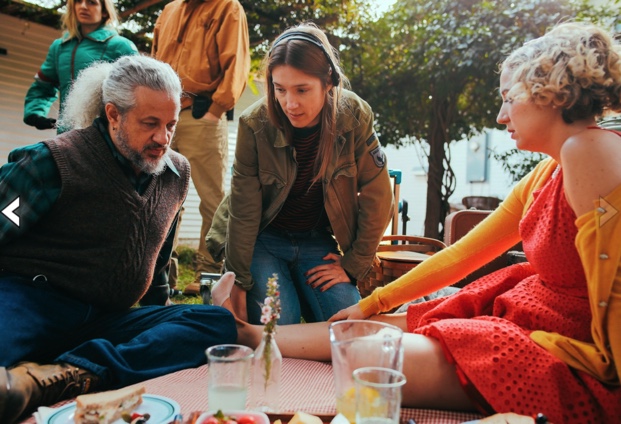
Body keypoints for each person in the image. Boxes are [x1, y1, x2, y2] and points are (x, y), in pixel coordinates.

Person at [213, 22, 621, 422]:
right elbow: (462, 255)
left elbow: (614, 291)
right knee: (365, 326)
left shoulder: (589, 150)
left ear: (548, 93)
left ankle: (255, 339)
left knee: (365, 355)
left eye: (508, 98)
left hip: (560, 345)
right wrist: (373, 302)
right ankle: (248, 334)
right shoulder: (546, 172)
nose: (500, 116)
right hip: (527, 313)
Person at [0, 56, 237, 424]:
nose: (163, 138)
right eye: (150, 124)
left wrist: (159, 316)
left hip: (108, 320)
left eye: (171, 125)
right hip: (32, 307)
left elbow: (158, 259)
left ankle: (59, 377)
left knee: (215, 323)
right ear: (113, 115)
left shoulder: (176, 173)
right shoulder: (51, 163)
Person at [207, 23, 393, 324]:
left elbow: (378, 192)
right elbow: (244, 208)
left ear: (328, 81)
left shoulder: (355, 116)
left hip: (316, 239)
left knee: (347, 324)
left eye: (302, 90)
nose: (289, 104)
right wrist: (238, 279)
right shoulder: (254, 125)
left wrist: (353, 264)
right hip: (263, 238)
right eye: (279, 89)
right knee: (280, 324)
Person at [152, 0, 251, 293]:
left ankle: (207, 275)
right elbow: (156, 58)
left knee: (212, 199)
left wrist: (214, 111)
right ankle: (159, 274)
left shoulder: (227, 7)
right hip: (164, 115)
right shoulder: (169, 10)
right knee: (160, 194)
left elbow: (237, 63)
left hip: (202, 113)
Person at [23, 0, 137, 133]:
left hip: (106, 136)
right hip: (65, 135)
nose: (83, 6)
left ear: (104, 11)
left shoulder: (120, 45)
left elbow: (138, 90)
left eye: (91, 2)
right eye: (78, 1)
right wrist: (35, 113)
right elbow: (43, 86)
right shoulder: (59, 47)